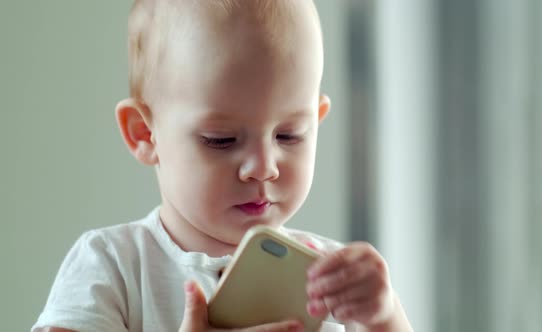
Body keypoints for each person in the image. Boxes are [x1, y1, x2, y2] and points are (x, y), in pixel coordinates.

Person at [32, 0, 413, 331]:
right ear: (145, 135)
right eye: (221, 140)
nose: (263, 168)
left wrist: (382, 317)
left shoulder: (335, 278)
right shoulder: (113, 266)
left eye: (289, 135)